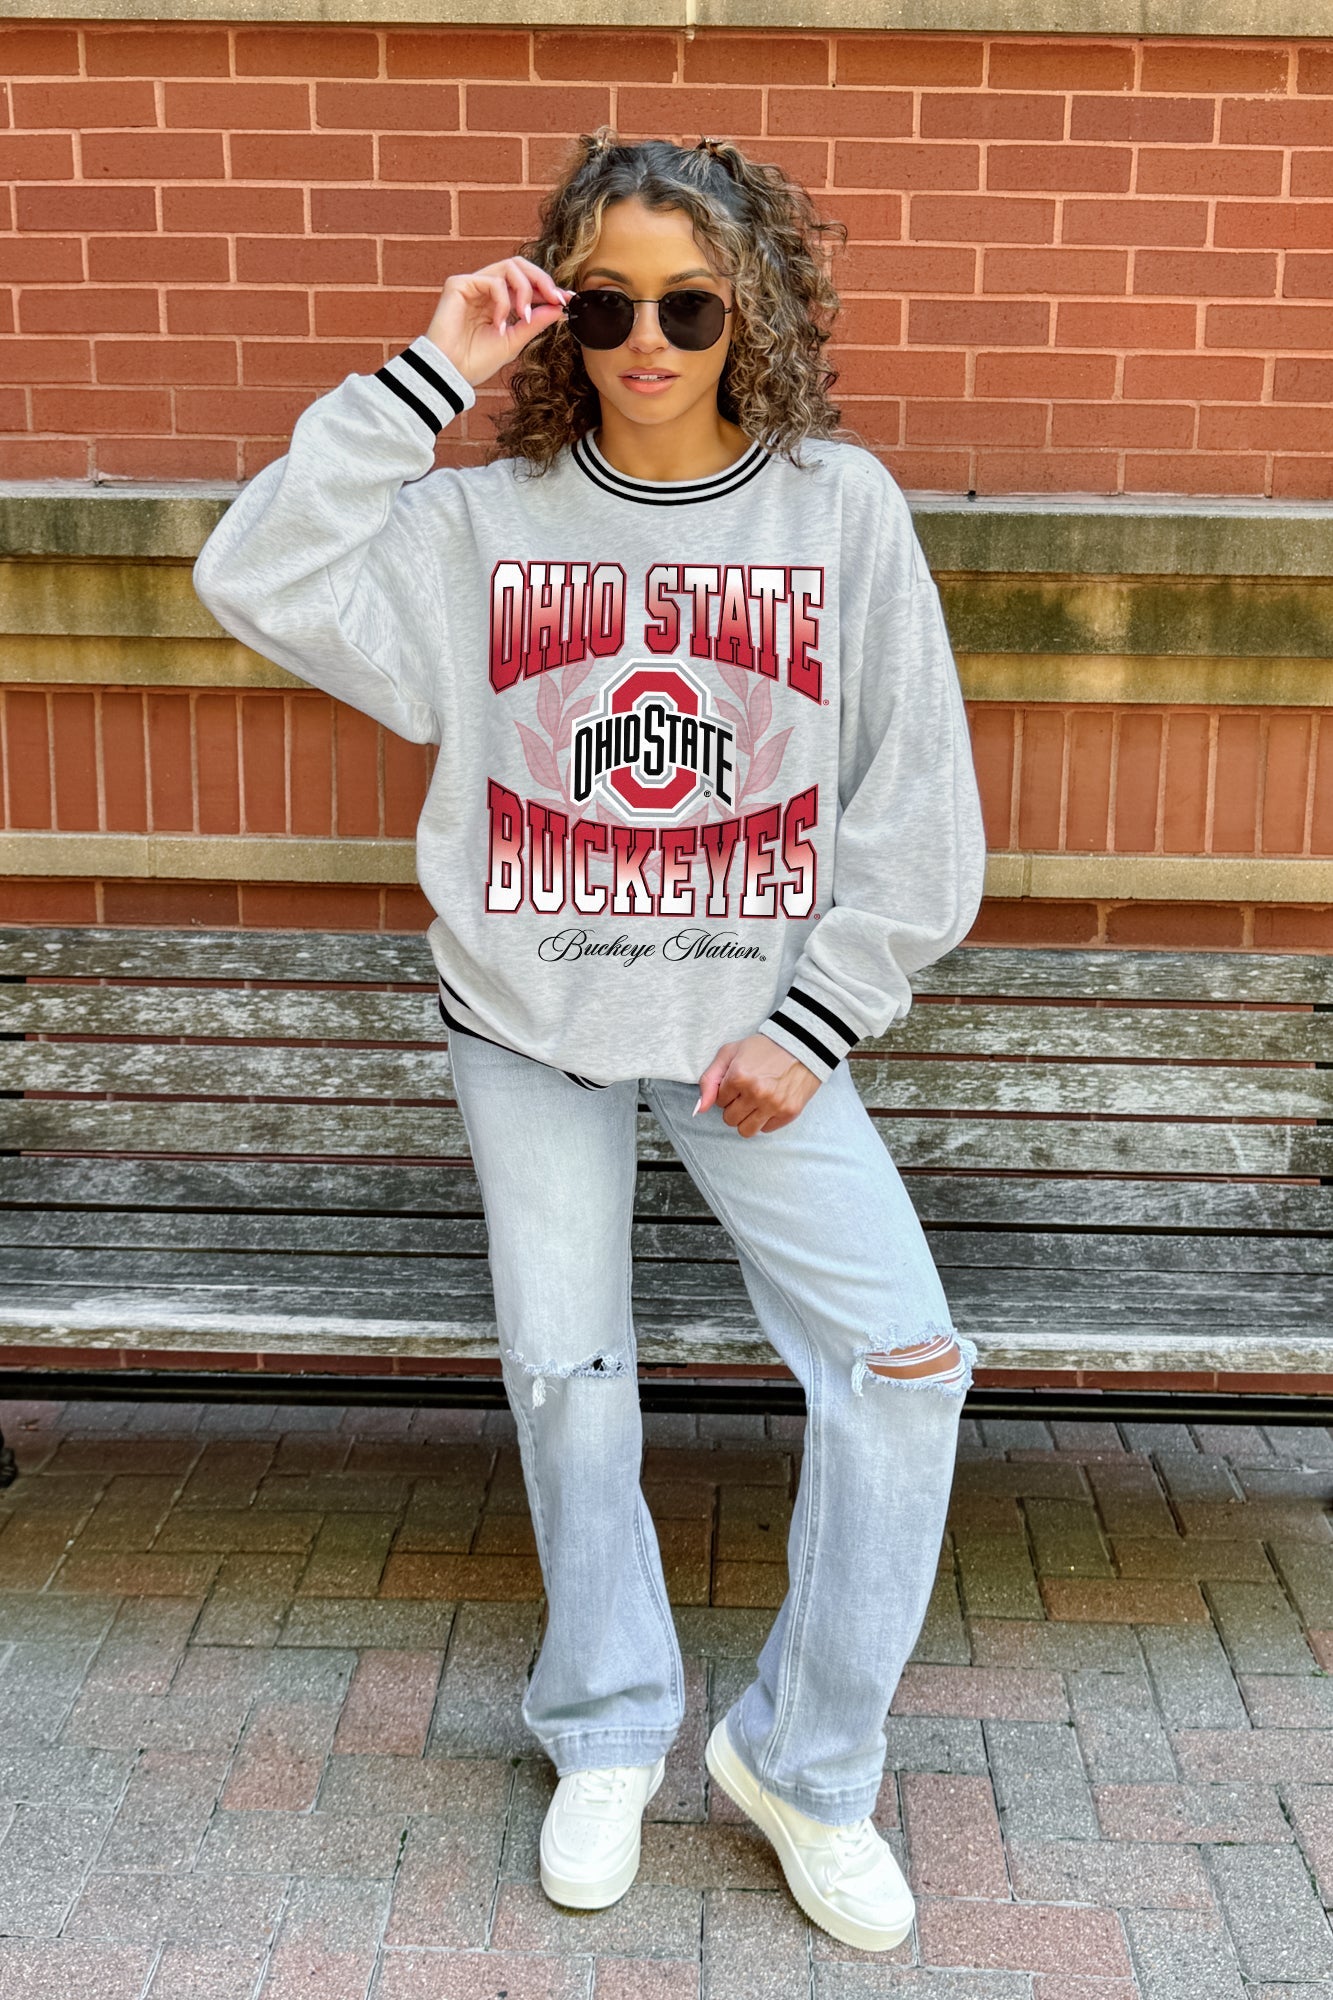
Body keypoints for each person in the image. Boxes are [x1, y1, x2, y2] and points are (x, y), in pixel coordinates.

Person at [192, 127, 987, 1955]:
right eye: (608, 303)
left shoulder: (835, 512)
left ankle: (806, 1762)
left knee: (903, 1365)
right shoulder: (482, 521)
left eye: (688, 307)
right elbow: (257, 575)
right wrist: (434, 369)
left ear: (749, 313)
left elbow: (918, 804)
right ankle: (611, 1726)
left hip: (750, 1038)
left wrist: (817, 1016)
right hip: (528, 1023)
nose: (647, 342)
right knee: (568, 1377)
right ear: (563, 315)